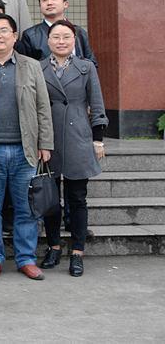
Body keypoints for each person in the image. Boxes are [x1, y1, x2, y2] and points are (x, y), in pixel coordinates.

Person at [0, 12, 54, 281]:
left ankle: (26, 258)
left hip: (25, 150)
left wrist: (45, 142)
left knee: (26, 209)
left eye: (4, 30)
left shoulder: (31, 66)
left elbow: (42, 107)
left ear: (14, 36)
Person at [40, 20, 108, 277]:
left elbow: (97, 103)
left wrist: (98, 139)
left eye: (66, 37)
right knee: (49, 200)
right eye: (56, 37)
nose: (61, 41)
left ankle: (77, 252)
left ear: (74, 40)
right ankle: (54, 247)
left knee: (77, 197)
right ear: (48, 41)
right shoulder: (38, 67)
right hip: (48, 139)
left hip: (78, 135)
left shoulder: (86, 67)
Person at [18, 0, 98, 66]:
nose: (49, 3)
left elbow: (92, 64)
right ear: (40, 6)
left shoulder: (79, 32)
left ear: (65, 4)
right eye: (44, 0)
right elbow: (26, 67)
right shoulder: (30, 35)